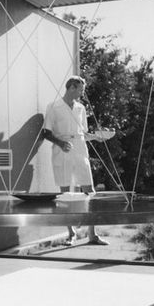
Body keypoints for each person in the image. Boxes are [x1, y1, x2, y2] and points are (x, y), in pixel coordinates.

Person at [43, 76, 109, 246]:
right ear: (71, 87)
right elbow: (46, 132)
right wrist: (60, 143)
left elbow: (83, 133)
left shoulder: (81, 108)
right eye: (81, 89)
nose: (82, 93)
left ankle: (92, 234)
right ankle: (71, 234)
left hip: (80, 149)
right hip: (62, 150)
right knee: (65, 193)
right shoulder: (53, 107)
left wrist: (97, 137)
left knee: (89, 190)